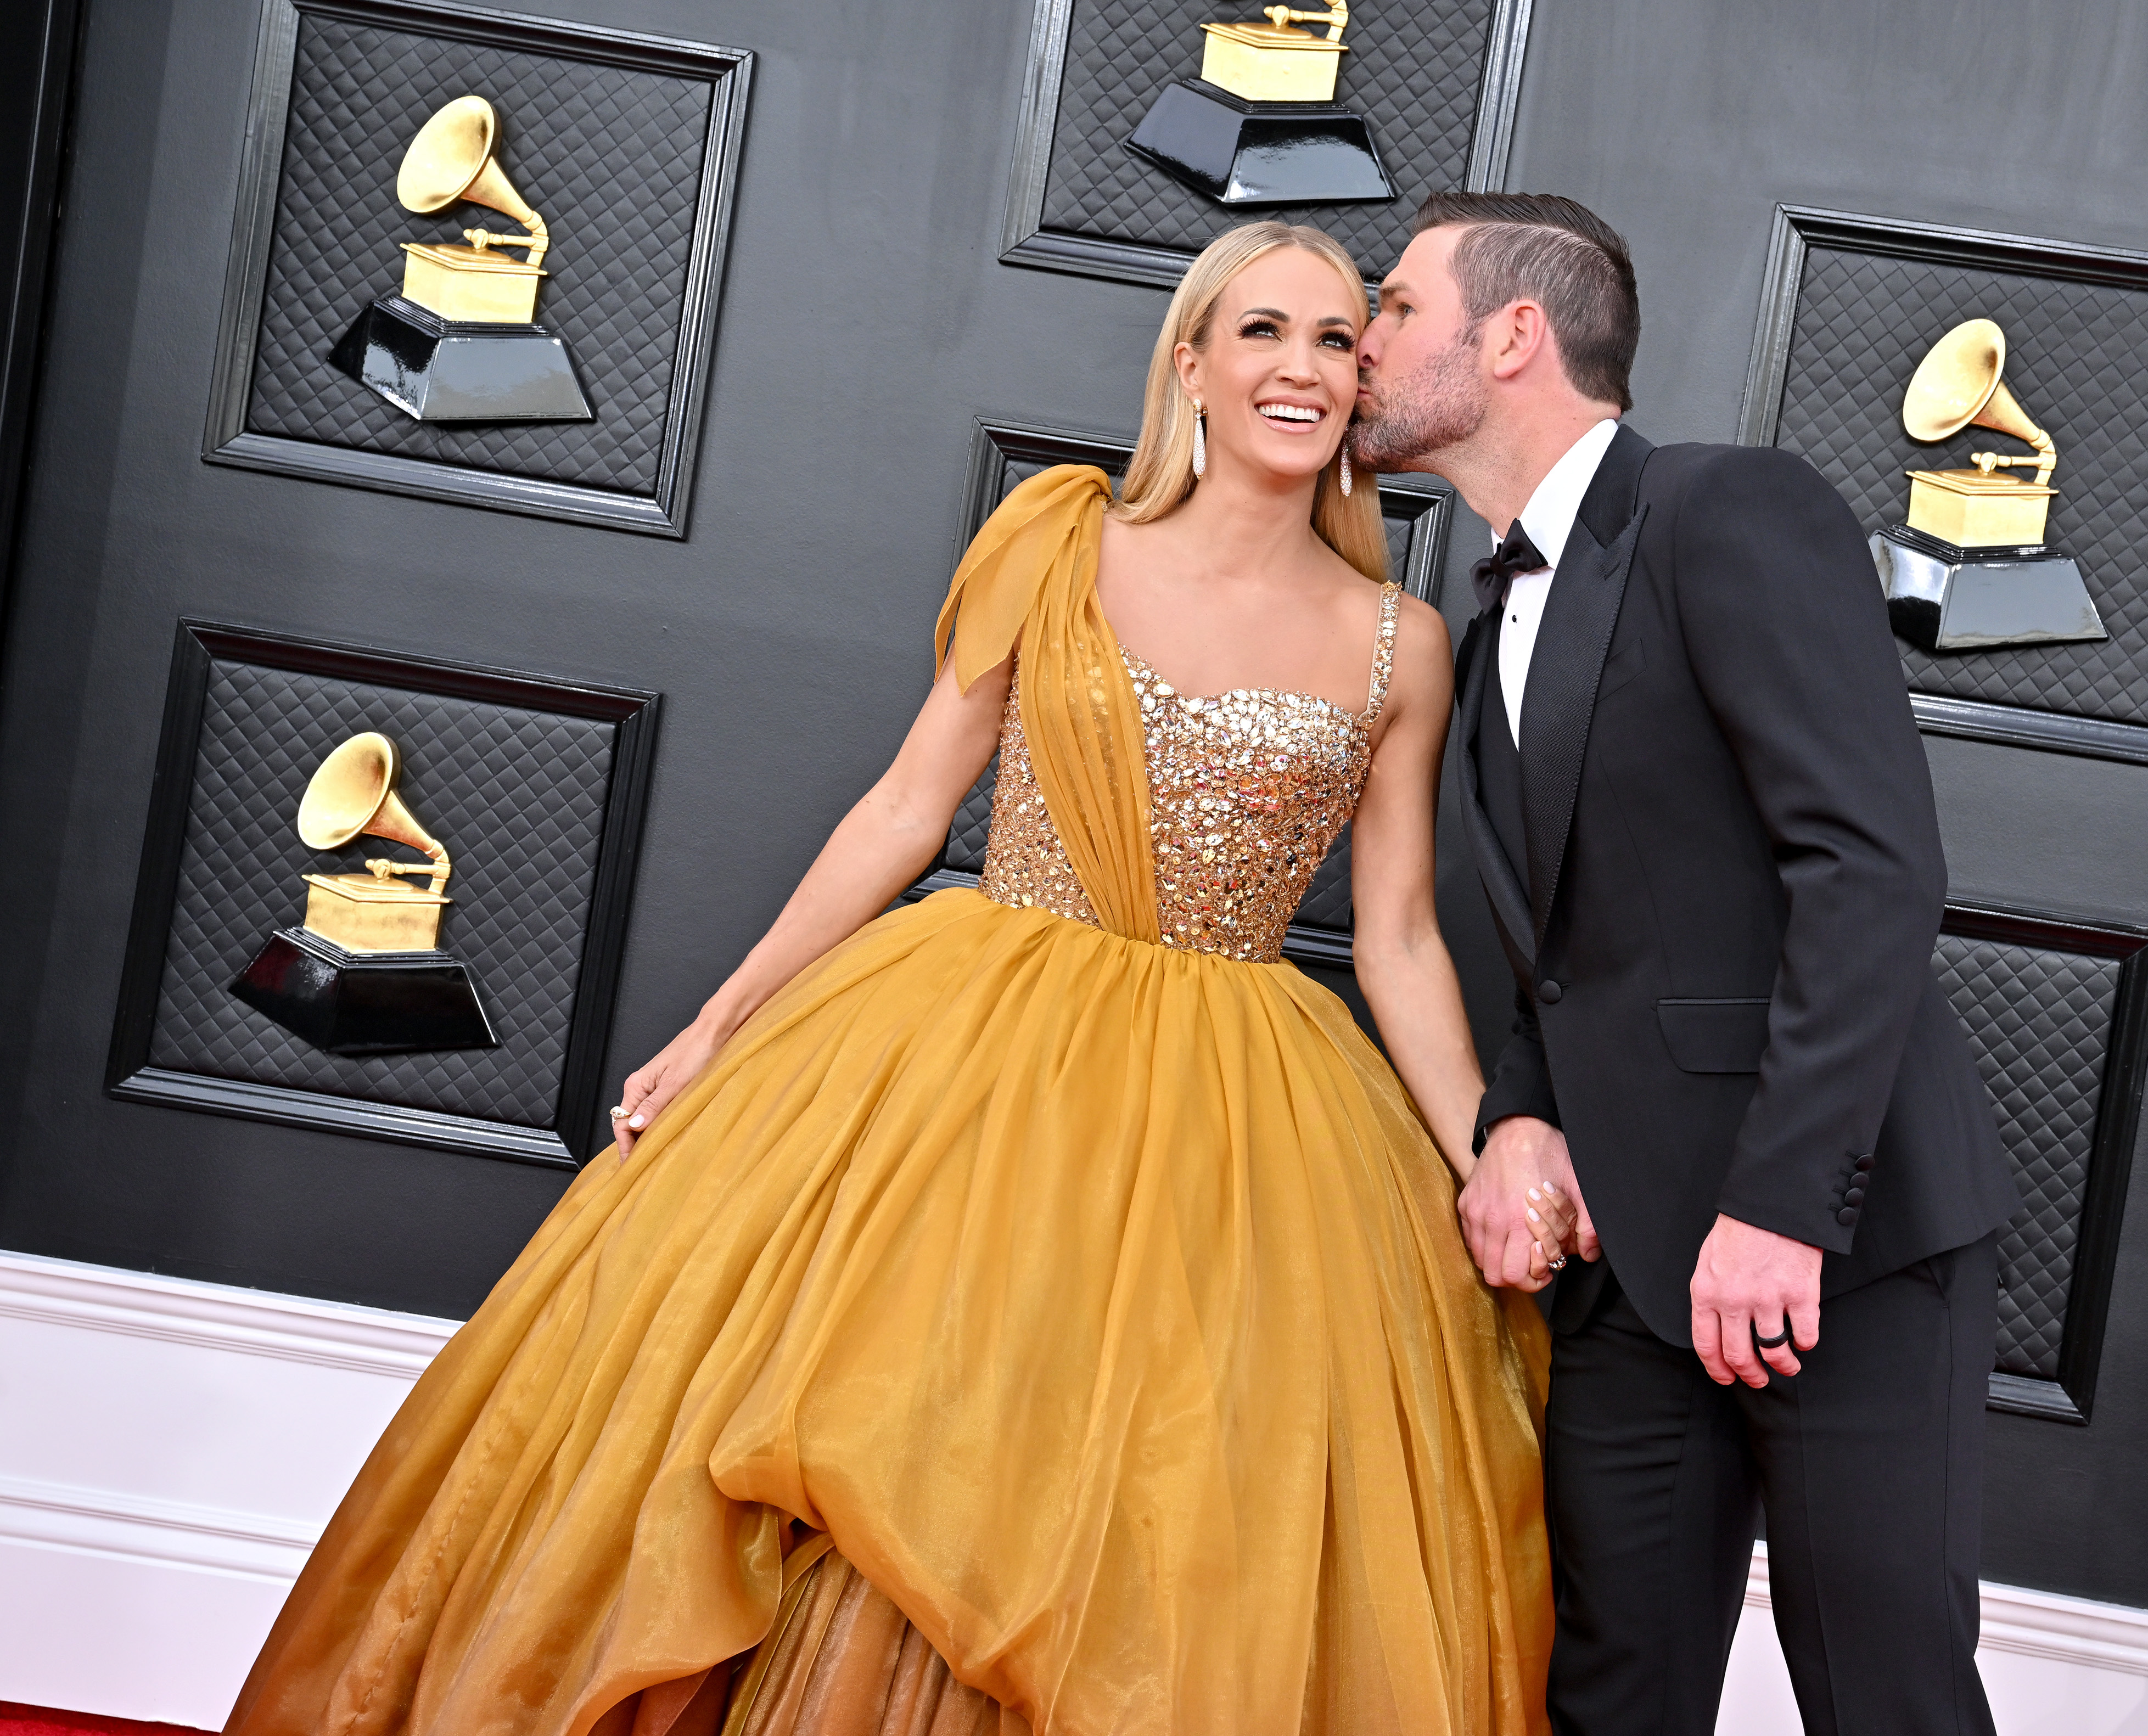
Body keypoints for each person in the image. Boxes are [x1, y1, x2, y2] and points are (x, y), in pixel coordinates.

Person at [224, 221, 1572, 1736]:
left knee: (1151, 1492)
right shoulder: (1059, 542)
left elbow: (1395, 935)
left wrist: (1481, 1158)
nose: (1301, 369)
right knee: (877, 1425)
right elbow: (904, 807)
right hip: (968, 1056)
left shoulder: (1403, 643)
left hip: (1233, 1111)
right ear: (1188, 365)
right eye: (1261, 332)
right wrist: (722, 1022)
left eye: (1336, 340)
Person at [1352, 191, 2020, 1736]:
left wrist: (1781, 1212)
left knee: (1886, 1698)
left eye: (1392, 307)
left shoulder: (1730, 508)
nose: (1360, 342)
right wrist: (1515, 1110)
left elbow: (1868, 866)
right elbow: (1575, 942)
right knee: (1610, 1696)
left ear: (1511, 333)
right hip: (1625, 1275)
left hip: (1837, 1243)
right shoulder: (1482, 602)